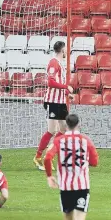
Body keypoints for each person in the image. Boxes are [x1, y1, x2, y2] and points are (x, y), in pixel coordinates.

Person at [44, 114, 99, 220]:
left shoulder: (58, 141)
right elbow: (95, 162)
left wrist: (49, 176)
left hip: (65, 186)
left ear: (66, 125)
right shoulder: (86, 140)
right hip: (82, 186)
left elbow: (47, 157)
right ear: (78, 124)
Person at [34, 41, 74, 170]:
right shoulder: (53, 63)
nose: (68, 51)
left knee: (64, 130)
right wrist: (66, 87)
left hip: (60, 101)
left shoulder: (59, 64)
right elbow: (51, 83)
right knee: (52, 130)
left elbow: (58, 83)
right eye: (67, 49)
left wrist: (67, 92)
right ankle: (41, 157)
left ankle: (46, 156)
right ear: (63, 50)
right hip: (53, 101)